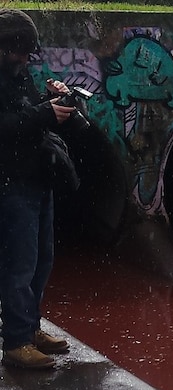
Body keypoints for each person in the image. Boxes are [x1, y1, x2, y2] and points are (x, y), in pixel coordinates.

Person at [0, 9, 77, 369]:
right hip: (11, 183)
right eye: (17, 51)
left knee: (40, 262)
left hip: (36, 179)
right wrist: (45, 114)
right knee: (19, 265)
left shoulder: (19, 74)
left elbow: (25, 112)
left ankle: (30, 328)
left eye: (27, 52)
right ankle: (16, 342)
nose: (22, 59)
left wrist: (53, 99)